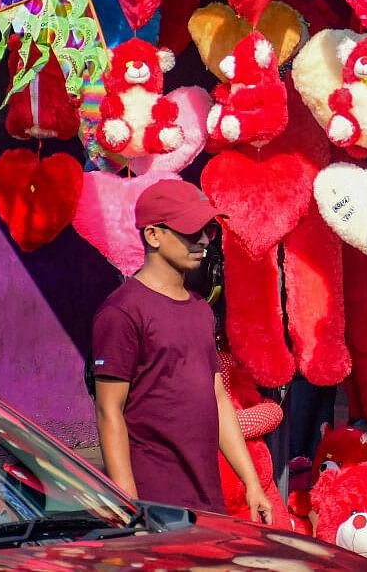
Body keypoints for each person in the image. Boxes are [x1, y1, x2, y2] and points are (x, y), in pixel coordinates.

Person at [92, 179, 272, 522]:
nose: (203, 240)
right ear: (153, 236)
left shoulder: (200, 309)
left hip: (208, 498)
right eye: (191, 231)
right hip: (155, 503)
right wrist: (129, 505)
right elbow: (108, 411)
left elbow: (217, 396)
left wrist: (251, 483)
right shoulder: (122, 312)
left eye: (208, 230)